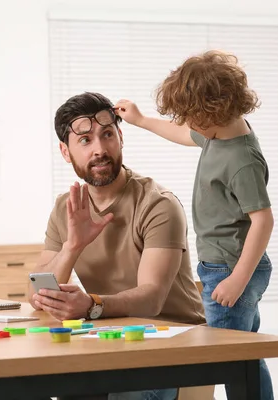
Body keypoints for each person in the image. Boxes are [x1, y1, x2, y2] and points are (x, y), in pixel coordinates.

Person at [114, 50, 275, 400]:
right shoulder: (219, 133)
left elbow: (263, 220)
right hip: (223, 265)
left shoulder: (241, 159)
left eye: (192, 117)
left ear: (213, 113)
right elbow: (184, 135)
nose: (189, 125)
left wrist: (237, 279)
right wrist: (141, 120)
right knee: (244, 353)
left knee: (226, 357)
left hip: (232, 269)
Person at [29, 91, 205, 400]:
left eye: (107, 135)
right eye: (85, 141)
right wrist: (73, 245)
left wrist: (92, 305)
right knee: (46, 385)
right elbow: (35, 294)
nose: (99, 149)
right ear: (65, 152)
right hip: (111, 342)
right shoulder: (66, 209)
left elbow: (152, 300)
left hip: (172, 344)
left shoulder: (157, 205)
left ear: (121, 137)